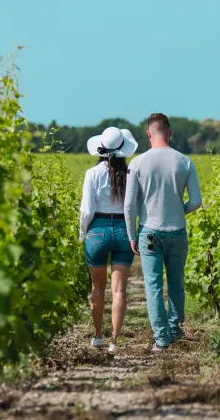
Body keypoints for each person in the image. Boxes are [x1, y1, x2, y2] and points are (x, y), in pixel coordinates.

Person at [124, 113, 202, 351]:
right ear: (170, 133)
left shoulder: (137, 163)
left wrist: (131, 236)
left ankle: (161, 339)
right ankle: (176, 330)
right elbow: (196, 201)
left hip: (149, 232)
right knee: (177, 283)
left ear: (149, 134)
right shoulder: (185, 161)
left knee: (154, 285)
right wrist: (179, 211)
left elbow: (129, 205)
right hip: (177, 231)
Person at [80, 126, 139, 354]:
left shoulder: (92, 174)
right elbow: (134, 206)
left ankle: (97, 336)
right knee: (119, 291)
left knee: (97, 287)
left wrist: (82, 233)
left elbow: (87, 210)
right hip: (124, 230)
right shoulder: (130, 174)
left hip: (98, 230)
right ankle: (114, 341)